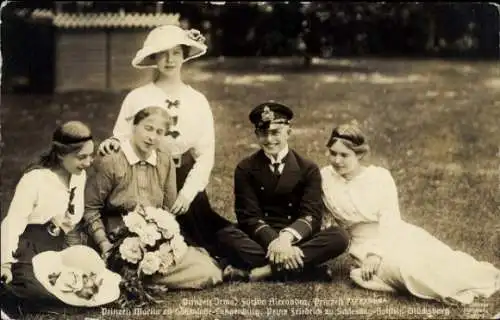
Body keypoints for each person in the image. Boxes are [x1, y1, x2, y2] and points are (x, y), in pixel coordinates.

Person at [320, 122, 500, 305]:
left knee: (440, 261)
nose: (337, 161)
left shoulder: (379, 177)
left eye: (344, 155)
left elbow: (390, 219)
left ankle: (470, 283)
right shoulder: (325, 178)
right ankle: (442, 289)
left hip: (394, 235)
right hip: (360, 246)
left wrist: (375, 253)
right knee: (406, 270)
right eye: (333, 153)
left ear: (359, 154)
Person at [97, 24, 231, 259]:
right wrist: (111, 143)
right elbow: (121, 136)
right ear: (153, 58)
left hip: (184, 176)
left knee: (212, 238)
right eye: (163, 54)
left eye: (176, 53)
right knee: (154, 239)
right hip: (148, 178)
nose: (170, 60)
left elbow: (205, 153)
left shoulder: (197, 100)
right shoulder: (137, 97)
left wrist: (187, 194)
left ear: (185, 56)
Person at [83, 106, 222, 289]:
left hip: (152, 240)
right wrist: (105, 245)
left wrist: (162, 244)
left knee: (209, 273)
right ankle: (132, 277)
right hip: (115, 241)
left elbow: (167, 208)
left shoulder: (165, 161)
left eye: (159, 132)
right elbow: (90, 208)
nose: (152, 137)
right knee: (112, 273)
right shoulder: (112, 160)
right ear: (134, 127)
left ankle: (143, 276)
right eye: (148, 128)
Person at [216, 102, 350, 281]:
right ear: (257, 134)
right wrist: (274, 241)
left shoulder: (308, 168)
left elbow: (311, 216)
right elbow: (248, 216)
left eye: (275, 133)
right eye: (264, 133)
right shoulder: (245, 168)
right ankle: (308, 271)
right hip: (260, 238)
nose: (269, 140)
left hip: (296, 238)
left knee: (339, 237)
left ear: (288, 132)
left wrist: (285, 239)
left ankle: (263, 272)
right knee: (223, 235)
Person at [0, 121, 94, 304]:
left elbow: (72, 219)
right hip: (27, 246)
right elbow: (13, 222)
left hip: (56, 246)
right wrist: (5, 263)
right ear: (61, 154)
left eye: (91, 156)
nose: (88, 163)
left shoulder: (79, 175)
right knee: (40, 293)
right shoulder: (35, 179)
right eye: (81, 157)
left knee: (87, 283)